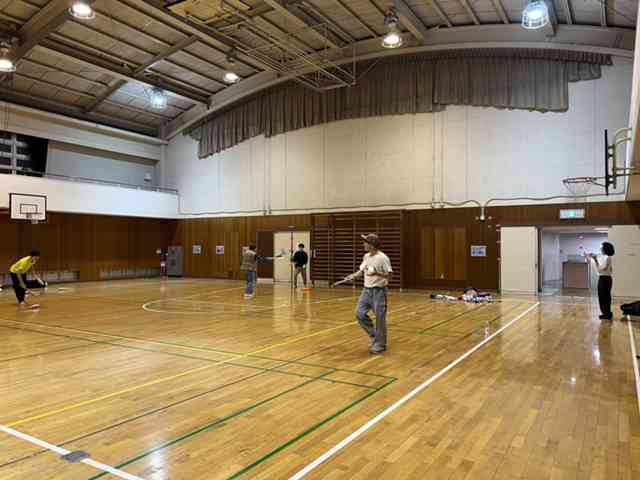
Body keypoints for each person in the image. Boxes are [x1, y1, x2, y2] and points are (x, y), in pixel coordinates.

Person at [341, 233, 393, 354]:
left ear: (372, 245)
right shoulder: (366, 256)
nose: (363, 244)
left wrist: (377, 273)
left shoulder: (383, 258)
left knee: (380, 319)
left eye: (365, 242)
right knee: (359, 314)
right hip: (366, 291)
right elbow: (361, 271)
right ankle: (375, 335)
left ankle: (380, 344)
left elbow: (390, 275)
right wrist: (352, 276)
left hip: (379, 291)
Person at [588, 242, 615, 320]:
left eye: (602, 248)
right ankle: (606, 313)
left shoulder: (607, 257)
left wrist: (595, 259)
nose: (601, 249)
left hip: (604, 279)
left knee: (604, 298)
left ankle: (607, 314)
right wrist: (594, 258)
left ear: (605, 249)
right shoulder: (607, 257)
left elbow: (601, 269)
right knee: (605, 297)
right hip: (605, 279)